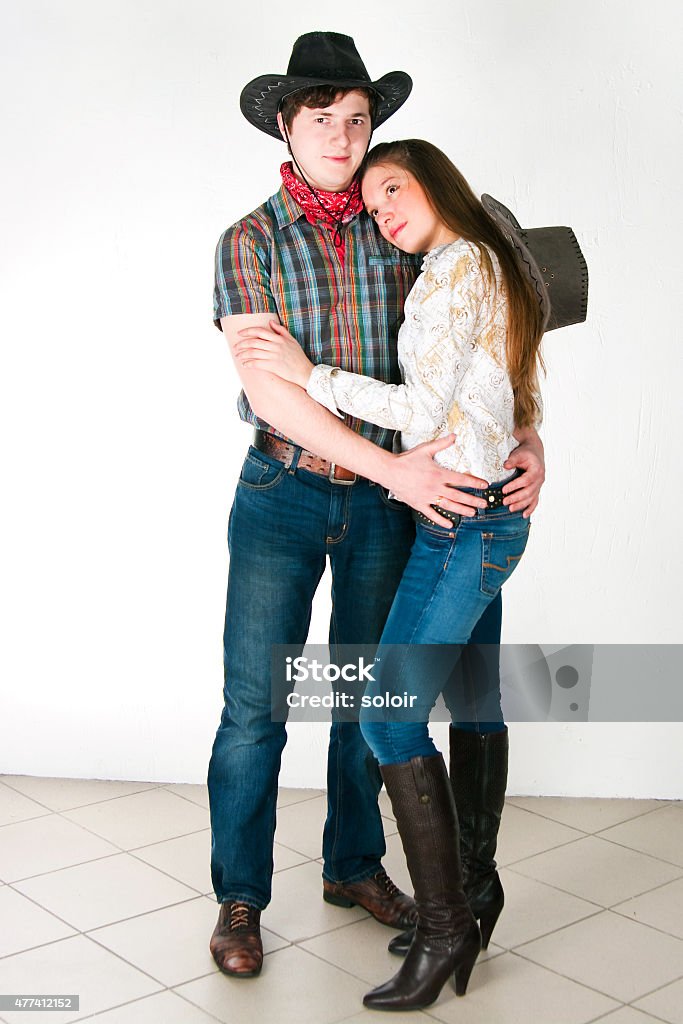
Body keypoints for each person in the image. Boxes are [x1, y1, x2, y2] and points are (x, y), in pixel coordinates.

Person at [209, 34, 546, 980]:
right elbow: (273, 389)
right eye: (323, 119)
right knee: (254, 707)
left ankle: (354, 867)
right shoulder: (250, 241)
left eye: (358, 120)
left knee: (364, 701)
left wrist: (528, 440)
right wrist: (391, 467)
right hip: (282, 490)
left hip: (395, 506)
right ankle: (241, 896)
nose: (343, 137)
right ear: (287, 125)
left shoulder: (403, 219)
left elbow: (498, 340)